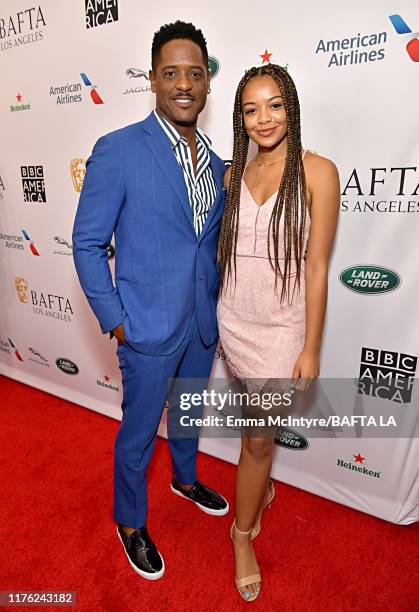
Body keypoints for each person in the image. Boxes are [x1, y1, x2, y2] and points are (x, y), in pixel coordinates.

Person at [72, 21, 229, 581]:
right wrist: (116, 320)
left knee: (187, 415)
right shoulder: (118, 150)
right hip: (145, 327)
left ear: (208, 82)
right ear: (153, 80)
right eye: (171, 73)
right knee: (138, 433)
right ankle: (129, 520)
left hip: (200, 323)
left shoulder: (218, 163)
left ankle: (184, 478)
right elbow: (88, 243)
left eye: (194, 73)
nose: (183, 83)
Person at [217, 64, 340, 601]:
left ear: (291, 107)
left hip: (281, 329)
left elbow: (316, 267)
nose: (263, 119)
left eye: (274, 105)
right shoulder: (232, 174)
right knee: (257, 436)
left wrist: (310, 347)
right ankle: (260, 491)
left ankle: (240, 535)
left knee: (257, 439)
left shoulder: (318, 172)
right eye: (250, 109)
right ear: (240, 118)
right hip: (234, 321)